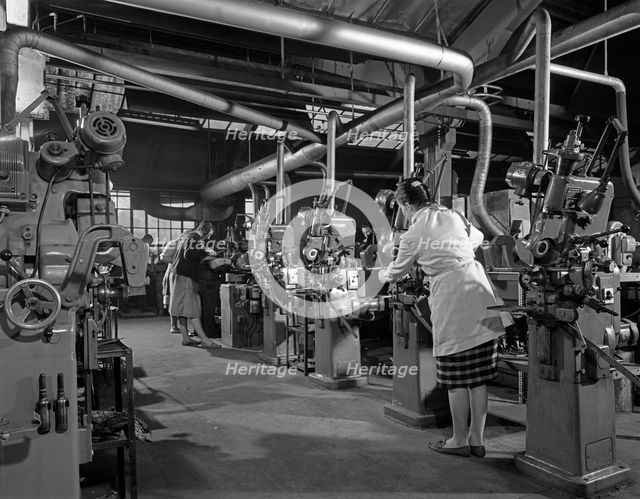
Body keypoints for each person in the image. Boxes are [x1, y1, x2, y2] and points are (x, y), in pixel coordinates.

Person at [378, 178, 505, 458]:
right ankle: (477, 440)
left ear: (407, 204)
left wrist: (382, 269)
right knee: (478, 378)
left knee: (457, 378)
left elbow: (396, 272)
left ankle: (458, 440)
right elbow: (479, 239)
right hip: (480, 292)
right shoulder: (451, 214)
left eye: (403, 208)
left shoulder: (413, 234)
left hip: (453, 300)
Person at [169, 221, 220, 349]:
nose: (209, 237)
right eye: (209, 234)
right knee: (194, 309)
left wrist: (203, 250)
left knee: (181, 309)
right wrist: (206, 252)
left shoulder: (189, 237)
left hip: (178, 274)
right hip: (185, 277)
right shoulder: (194, 237)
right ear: (205, 231)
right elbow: (189, 254)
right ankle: (205, 340)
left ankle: (186, 338)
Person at [159, 235, 184, 334]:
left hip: (182, 272)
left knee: (181, 300)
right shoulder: (174, 243)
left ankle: (180, 327)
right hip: (174, 271)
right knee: (173, 299)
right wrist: (176, 262)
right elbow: (163, 257)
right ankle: (173, 326)